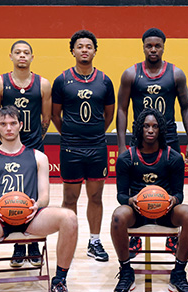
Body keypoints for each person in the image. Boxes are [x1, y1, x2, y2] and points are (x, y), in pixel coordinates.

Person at [0, 106, 78, 292]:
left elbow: (45, 195)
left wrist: (37, 205)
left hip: (30, 216)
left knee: (69, 218)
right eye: (4, 124)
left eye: (13, 123)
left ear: (21, 125)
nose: (9, 128)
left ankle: (60, 282)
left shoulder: (37, 156)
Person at [116, 27, 188, 258]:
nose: (153, 49)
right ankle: (135, 236)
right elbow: (121, 108)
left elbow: (186, 107)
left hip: (168, 134)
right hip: (140, 136)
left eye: (157, 45)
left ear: (163, 47)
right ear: (143, 47)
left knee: (172, 186)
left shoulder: (176, 74)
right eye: (149, 45)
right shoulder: (131, 74)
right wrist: (122, 145)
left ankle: (172, 235)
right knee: (134, 186)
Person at [110, 109, 188, 292]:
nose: (150, 130)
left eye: (155, 126)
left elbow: (179, 194)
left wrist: (173, 200)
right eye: (146, 126)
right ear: (139, 129)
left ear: (161, 130)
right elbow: (121, 195)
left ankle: (179, 273)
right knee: (118, 216)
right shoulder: (127, 158)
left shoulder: (173, 157)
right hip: (138, 211)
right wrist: (130, 201)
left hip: (166, 211)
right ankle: (126, 270)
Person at [52, 30, 115, 262]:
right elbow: (55, 115)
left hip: (97, 146)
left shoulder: (104, 80)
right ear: (73, 51)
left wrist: (95, 132)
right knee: (70, 197)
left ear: (95, 51)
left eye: (89, 46)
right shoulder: (62, 80)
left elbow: (108, 116)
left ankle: (94, 241)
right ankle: (69, 239)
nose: (85, 50)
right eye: (80, 46)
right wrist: (70, 133)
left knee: (96, 197)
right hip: (70, 147)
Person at [0, 39, 52, 268]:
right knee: (13, 192)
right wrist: (8, 142)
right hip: (9, 147)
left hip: (34, 145)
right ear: (11, 56)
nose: (22, 56)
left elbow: (46, 119)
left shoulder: (43, 84)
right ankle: (18, 244)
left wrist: (35, 139)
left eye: (26, 52)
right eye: (18, 52)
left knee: (35, 194)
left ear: (32, 57)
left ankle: (33, 241)